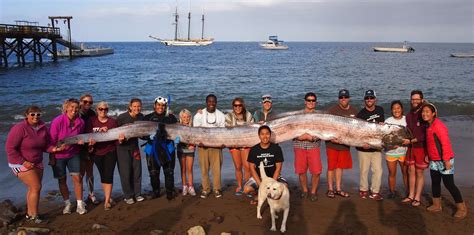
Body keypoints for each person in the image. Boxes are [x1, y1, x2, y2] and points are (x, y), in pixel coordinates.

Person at [5, 106, 53, 223]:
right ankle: (34, 216)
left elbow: (46, 146)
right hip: (19, 163)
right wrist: (24, 162)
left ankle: (30, 214)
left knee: (32, 188)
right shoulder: (20, 128)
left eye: (38, 114)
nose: (35, 116)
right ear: (27, 115)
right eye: (32, 114)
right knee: (36, 187)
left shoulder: (43, 128)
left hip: (37, 162)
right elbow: (10, 148)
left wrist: (55, 149)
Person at [422, 103, 467, 219]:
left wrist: (446, 160)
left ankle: (462, 208)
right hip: (434, 160)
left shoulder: (439, 126)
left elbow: (445, 144)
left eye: (427, 111)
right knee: (435, 182)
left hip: (445, 160)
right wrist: (427, 155)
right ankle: (437, 205)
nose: (424, 114)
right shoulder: (428, 126)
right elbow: (430, 143)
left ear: (433, 114)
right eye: (423, 111)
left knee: (449, 184)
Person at [48, 98, 87, 214]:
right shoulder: (57, 121)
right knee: (62, 180)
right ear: (66, 108)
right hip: (59, 155)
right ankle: (67, 204)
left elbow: (80, 137)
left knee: (77, 178)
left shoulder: (81, 122)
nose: (74, 110)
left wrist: (81, 142)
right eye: (72, 107)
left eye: (76, 108)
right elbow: (51, 141)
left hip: (73, 154)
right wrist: (56, 149)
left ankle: (80, 204)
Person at [143, 96, 178, 200]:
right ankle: (156, 192)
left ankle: (169, 193)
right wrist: (147, 137)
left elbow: (177, 131)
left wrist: (178, 138)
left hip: (168, 148)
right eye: (158, 105)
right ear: (154, 106)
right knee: (154, 173)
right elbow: (140, 134)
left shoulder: (171, 118)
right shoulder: (147, 118)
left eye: (163, 105)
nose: (160, 107)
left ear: (165, 107)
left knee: (169, 172)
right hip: (152, 149)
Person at [325, 89, 358, 199]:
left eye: (345, 97)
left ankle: (338, 189)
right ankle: (330, 189)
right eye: (341, 97)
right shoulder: (332, 110)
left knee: (340, 167)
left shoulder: (354, 111)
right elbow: (325, 126)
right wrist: (331, 138)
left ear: (349, 98)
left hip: (345, 144)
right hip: (332, 144)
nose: (343, 99)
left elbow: (357, 129)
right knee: (331, 167)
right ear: (339, 99)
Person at [85, 101, 118, 210]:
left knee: (108, 175)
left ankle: (107, 201)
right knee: (103, 175)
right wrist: (90, 143)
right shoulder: (91, 121)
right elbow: (88, 135)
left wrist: (120, 140)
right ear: (96, 109)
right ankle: (108, 196)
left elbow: (116, 139)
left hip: (110, 151)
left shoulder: (112, 122)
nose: (103, 111)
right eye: (100, 109)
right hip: (97, 152)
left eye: (105, 109)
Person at [193, 94, 226, 199]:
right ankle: (206, 189)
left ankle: (217, 188)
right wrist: (199, 142)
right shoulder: (199, 115)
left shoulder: (221, 115)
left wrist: (222, 143)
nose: (211, 103)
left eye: (213, 101)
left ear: (216, 103)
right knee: (204, 169)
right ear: (206, 102)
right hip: (203, 146)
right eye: (209, 101)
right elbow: (196, 131)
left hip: (217, 146)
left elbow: (222, 132)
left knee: (216, 169)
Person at [243, 125, 286, 204]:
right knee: (247, 189)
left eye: (267, 134)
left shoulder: (276, 149)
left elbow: (278, 168)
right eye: (262, 134)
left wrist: (273, 183)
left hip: (274, 177)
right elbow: (252, 169)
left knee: (285, 187)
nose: (265, 136)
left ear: (270, 135)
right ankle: (258, 196)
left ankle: (272, 197)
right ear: (259, 136)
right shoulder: (254, 149)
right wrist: (261, 185)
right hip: (259, 177)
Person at [292, 92, 322, 202]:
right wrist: (299, 137)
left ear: (316, 102)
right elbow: (290, 129)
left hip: (313, 146)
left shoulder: (320, 116)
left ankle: (313, 191)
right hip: (299, 145)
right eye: (309, 100)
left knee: (316, 171)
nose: (311, 102)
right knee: (301, 171)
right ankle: (304, 190)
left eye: (313, 100)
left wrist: (312, 138)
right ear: (305, 101)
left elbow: (323, 131)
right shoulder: (297, 115)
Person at [356, 90, 385, 201]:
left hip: (376, 147)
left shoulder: (380, 110)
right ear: (364, 100)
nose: (369, 100)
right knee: (364, 170)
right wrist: (363, 143)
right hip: (363, 147)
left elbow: (380, 130)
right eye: (367, 98)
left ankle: (375, 191)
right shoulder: (361, 114)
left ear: (375, 99)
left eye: (371, 98)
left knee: (378, 170)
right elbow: (358, 132)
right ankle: (363, 189)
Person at [401, 90, 428, 207]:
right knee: (410, 171)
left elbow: (424, 134)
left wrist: (411, 141)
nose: (415, 101)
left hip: (421, 147)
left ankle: (417, 197)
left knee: (419, 172)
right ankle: (411, 195)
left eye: (417, 99)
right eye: (413, 99)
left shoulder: (424, 113)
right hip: (411, 147)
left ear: (422, 100)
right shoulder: (409, 115)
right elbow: (408, 131)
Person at [116, 98, 144, 204]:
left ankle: (137, 194)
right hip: (122, 148)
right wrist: (119, 140)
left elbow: (143, 133)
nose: (137, 108)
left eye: (139, 106)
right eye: (135, 106)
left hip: (135, 147)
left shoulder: (141, 117)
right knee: (125, 173)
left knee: (137, 171)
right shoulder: (122, 118)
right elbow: (114, 133)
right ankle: (128, 195)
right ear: (130, 107)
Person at [225, 97, 254, 196]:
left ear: (243, 106)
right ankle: (240, 186)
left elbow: (252, 129)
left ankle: (247, 186)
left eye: (239, 105)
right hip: (234, 144)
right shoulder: (229, 116)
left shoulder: (248, 115)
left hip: (245, 144)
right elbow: (227, 131)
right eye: (235, 105)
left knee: (247, 167)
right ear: (233, 107)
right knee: (238, 167)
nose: (237, 107)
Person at [384, 100, 408, 199]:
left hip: (404, 152)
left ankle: (408, 192)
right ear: (391, 110)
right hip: (391, 152)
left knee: (405, 173)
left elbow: (410, 135)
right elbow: (384, 138)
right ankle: (392, 191)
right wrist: (390, 145)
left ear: (402, 109)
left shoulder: (407, 120)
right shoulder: (387, 121)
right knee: (392, 174)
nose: (396, 110)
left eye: (398, 108)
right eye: (394, 108)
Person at [78, 93, 99, 205]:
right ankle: (80, 197)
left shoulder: (92, 113)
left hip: (90, 144)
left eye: (90, 102)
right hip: (78, 146)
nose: (87, 104)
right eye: (85, 102)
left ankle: (91, 194)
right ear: (81, 102)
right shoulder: (76, 113)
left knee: (90, 171)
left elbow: (95, 128)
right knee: (80, 172)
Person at [177, 109, 196, 196]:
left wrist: (193, 144)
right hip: (180, 149)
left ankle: (191, 186)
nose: (186, 118)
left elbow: (196, 137)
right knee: (183, 169)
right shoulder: (178, 126)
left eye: (188, 116)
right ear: (181, 117)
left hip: (190, 149)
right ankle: (184, 186)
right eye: (184, 117)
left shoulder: (192, 127)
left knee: (189, 169)